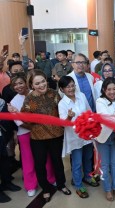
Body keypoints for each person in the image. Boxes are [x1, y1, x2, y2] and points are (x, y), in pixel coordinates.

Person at [20, 70, 71, 202]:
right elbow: (24, 119)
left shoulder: (54, 94)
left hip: (56, 135)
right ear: (31, 85)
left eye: (43, 81)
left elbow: (62, 112)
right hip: (38, 138)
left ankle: (61, 185)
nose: (42, 85)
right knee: (40, 164)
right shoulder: (29, 99)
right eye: (37, 83)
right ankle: (46, 189)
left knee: (57, 162)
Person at [7, 73, 56, 197]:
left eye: (20, 83)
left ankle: (50, 179)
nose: (18, 86)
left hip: (42, 132)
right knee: (28, 160)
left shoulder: (35, 93)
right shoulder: (14, 101)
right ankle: (31, 185)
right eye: (15, 85)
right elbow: (19, 122)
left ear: (27, 82)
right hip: (25, 134)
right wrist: (34, 128)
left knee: (46, 158)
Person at [58, 76, 97, 199]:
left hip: (86, 135)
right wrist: (69, 117)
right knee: (77, 162)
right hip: (74, 137)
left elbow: (89, 112)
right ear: (62, 89)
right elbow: (63, 123)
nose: (71, 88)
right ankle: (78, 184)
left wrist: (92, 126)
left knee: (88, 157)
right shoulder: (62, 103)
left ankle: (87, 176)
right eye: (67, 87)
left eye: (72, 85)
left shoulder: (82, 96)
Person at [95, 77, 115, 201]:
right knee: (105, 165)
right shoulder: (100, 101)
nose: (112, 92)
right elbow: (106, 118)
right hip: (103, 137)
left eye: (114, 89)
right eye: (109, 89)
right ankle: (108, 190)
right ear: (104, 89)